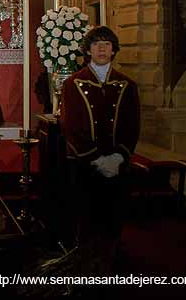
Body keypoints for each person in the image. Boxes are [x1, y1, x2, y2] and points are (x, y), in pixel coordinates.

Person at [60, 26, 140, 274]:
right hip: (86, 165)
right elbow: (70, 125)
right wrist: (96, 159)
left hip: (116, 165)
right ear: (88, 50)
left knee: (112, 219)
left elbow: (132, 124)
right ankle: (84, 268)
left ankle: (110, 267)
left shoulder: (127, 85)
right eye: (96, 44)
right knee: (86, 218)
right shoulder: (73, 83)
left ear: (114, 50)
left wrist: (117, 157)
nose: (102, 48)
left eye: (107, 44)